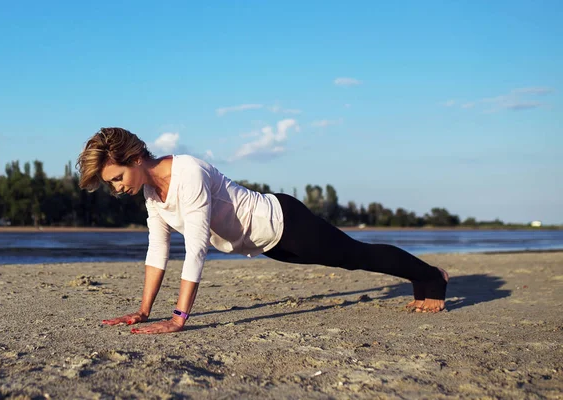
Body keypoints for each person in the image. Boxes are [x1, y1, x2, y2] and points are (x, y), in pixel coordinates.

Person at [77, 127, 448, 334]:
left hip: (286, 223)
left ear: (136, 159)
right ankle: (425, 277)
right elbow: (157, 251)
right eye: (110, 184)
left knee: (356, 257)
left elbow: (196, 249)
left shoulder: (187, 173)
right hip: (266, 243)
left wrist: (178, 319)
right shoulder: (151, 193)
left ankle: (432, 278)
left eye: (117, 178)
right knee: (353, 258)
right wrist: (143, 312)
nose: (116, 188)